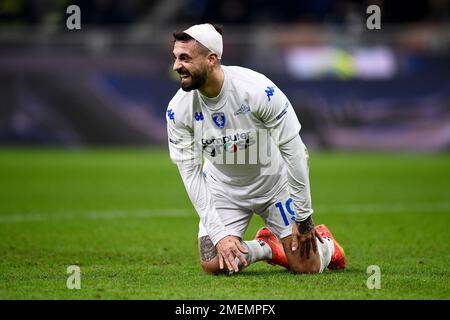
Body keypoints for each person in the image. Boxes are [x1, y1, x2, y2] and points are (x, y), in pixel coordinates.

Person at [166, 23, 345, 274]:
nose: (176, 66)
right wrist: (219, 235)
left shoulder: (258, 90)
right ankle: (267, 247)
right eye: (175, 58)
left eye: (184, 58)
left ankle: (326, 244)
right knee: (213, 263)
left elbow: (294, 151)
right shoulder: (178, 110)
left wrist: (304, 219)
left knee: (307, 267)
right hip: (223, 188)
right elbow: (191, 173)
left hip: (273, 183)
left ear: (211, 59)